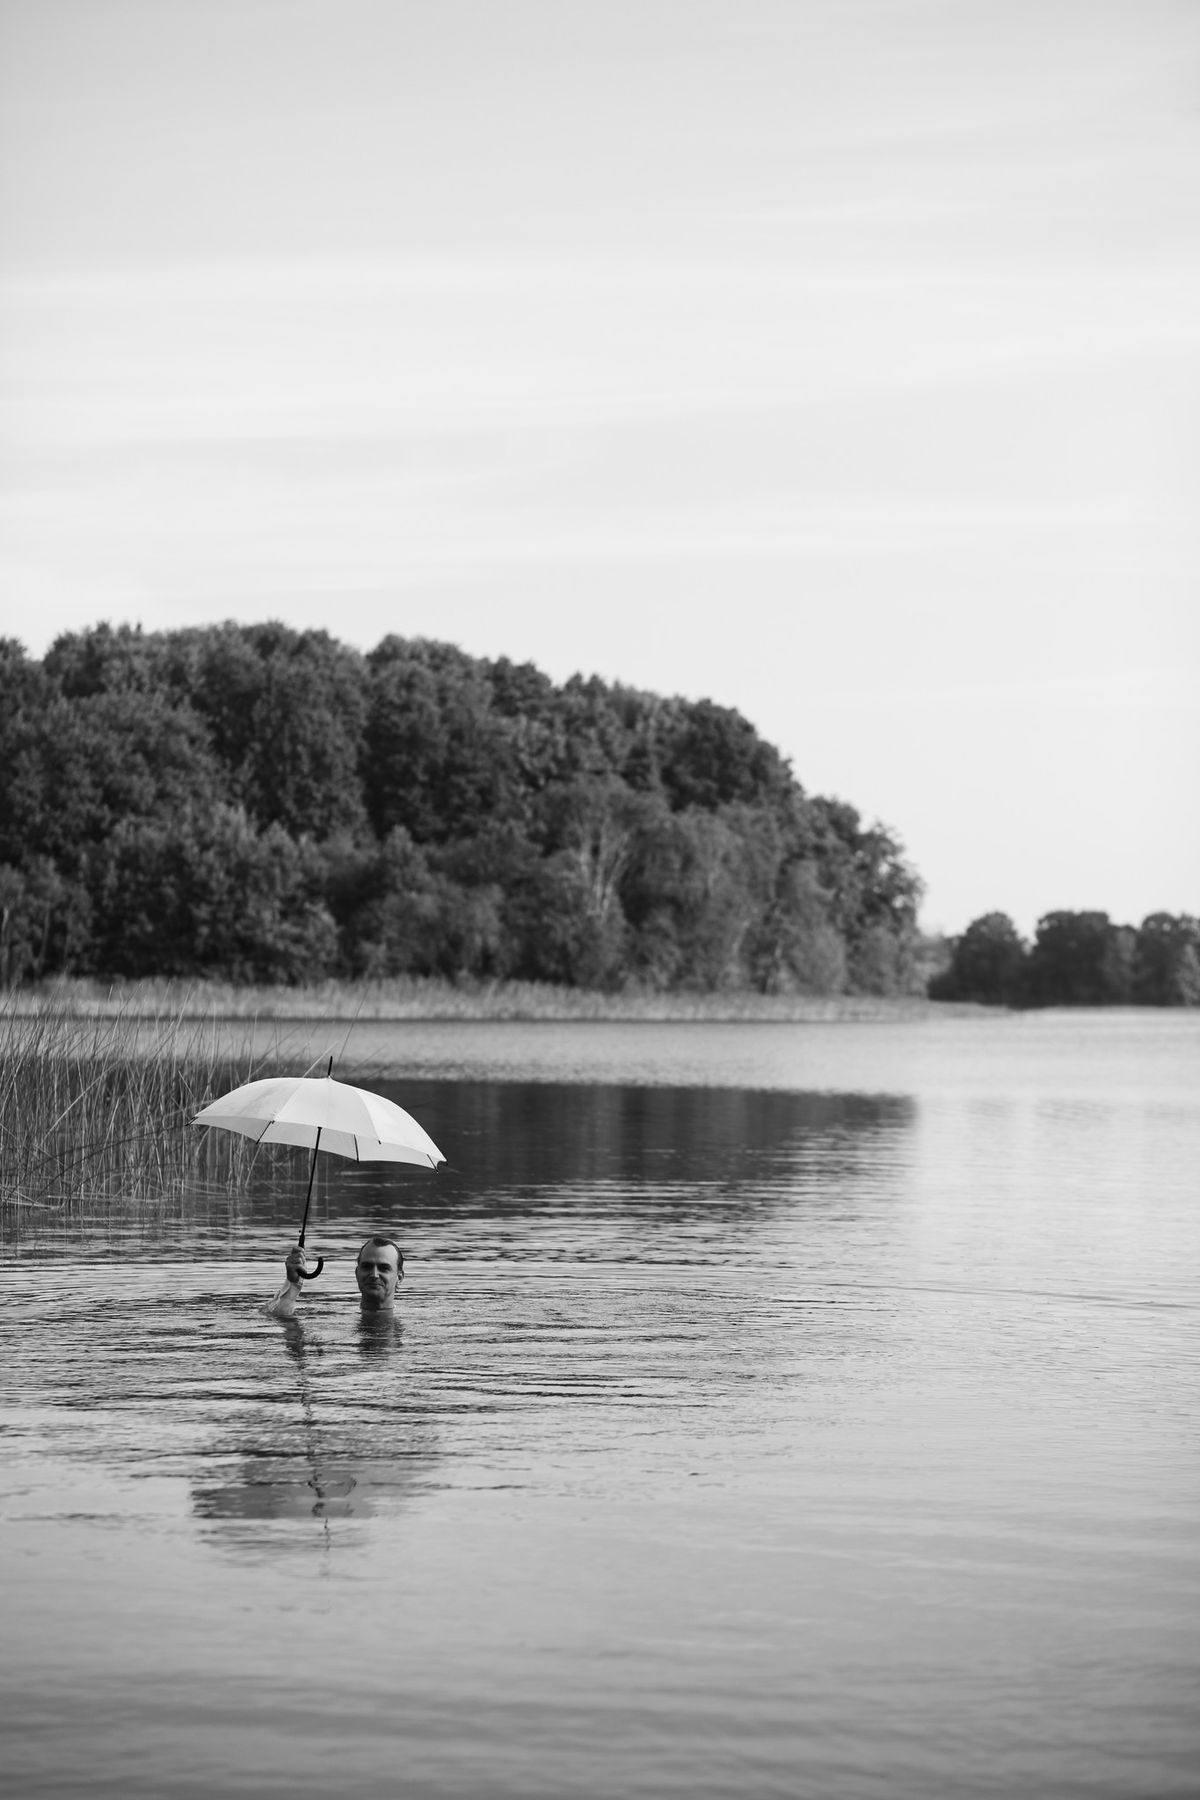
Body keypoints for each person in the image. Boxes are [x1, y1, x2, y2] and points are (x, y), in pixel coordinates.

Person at [268, 1236, 405, 1319]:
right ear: (357, 1273)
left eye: (384, 1268)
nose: (374, 1275)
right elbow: (278, 1318)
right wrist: (292, 1287)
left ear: (399, 1277)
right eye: (367, 1267)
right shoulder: (333, 1316)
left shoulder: (417, 1321)